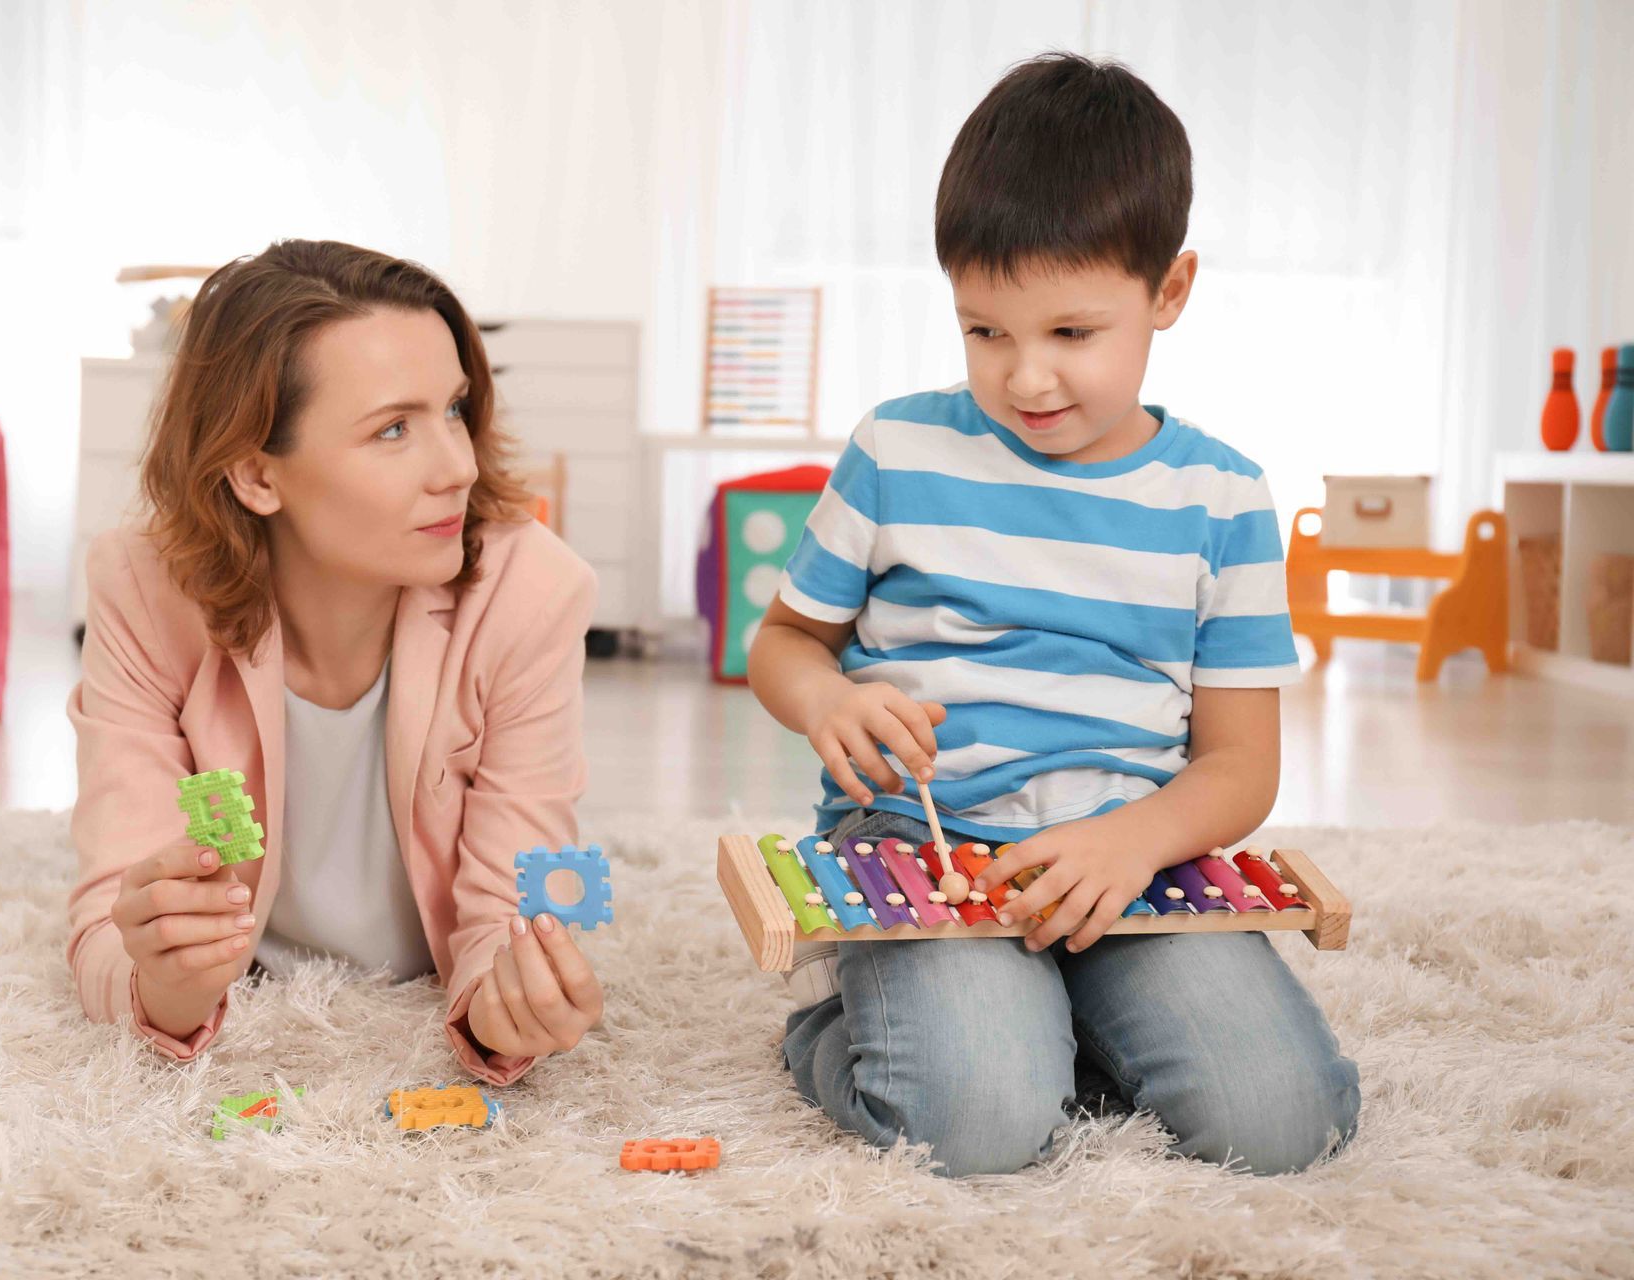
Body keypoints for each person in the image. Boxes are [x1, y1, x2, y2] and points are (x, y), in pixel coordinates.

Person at [748, 54, 1359, 1176]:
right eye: (985, 331)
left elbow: (1240, 767)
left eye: (1072, 333)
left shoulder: (1222, 498)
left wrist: (1133, 843)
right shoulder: (897, 448)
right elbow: (784, 642)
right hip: (927, 848)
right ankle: (838, 1026)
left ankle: (1052, 1011)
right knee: (974, 1124)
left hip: (1130, 857)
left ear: (1168, 293)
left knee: (1283, 1124)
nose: (1025, 377)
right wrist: (827, 696)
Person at [66, 240, 602, 1086]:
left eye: (455, 409)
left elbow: (512, 904)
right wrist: (163, 983)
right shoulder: (141, 589)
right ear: (254, 472)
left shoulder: (530, 592)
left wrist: (509, 1008)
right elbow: (112, 911)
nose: (458, 466)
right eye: (393, 429)